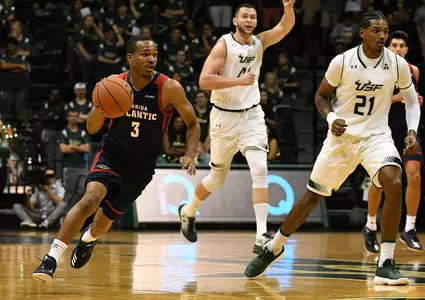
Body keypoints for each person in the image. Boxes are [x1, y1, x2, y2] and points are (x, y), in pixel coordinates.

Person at [244, 11, 420, 286]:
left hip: (376, 137)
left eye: (385, 30)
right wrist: (330, 118)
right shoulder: (343, 61)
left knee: (394, 181)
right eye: (376, 30)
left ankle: (386, 263)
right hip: (343, 139)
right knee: (310, 199)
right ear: (362, 33)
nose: (383, 35)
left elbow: (412, 102)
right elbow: (321, 96)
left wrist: (411, 131)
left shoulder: (397, 64)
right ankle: (274, 246)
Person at [33, 35, 200, 284]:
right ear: (130, 59)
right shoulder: (114, 85)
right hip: (112, 153)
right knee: (90, 199)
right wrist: (102, 105)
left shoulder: (169, 88)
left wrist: (189, 153)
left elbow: (193, 123)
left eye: (154, 53)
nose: (151, 58)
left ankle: (88, 240)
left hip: (141, 166)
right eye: (145, 54)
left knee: (102, 224)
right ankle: (51, 258)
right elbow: (91, 128)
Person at [178, 1, 295, 254]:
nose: (249, 20)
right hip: (224, 118)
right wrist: (238, 81)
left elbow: (286, 27)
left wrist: (288, 6)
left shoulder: (260, 43)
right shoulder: (224, 45)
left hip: (252, 115)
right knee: (216, 179)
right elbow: (204, 80)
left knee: (260, 168)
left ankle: (261, 235)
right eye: (244, 16)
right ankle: (188, 211)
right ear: (235, 21)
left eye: (253, 17)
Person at [364, 30, 424, 253]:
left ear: (407, 50)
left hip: (407, 131)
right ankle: (370, 225)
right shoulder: (378, 69)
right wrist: (401, 97)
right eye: (394, 45)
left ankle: (409, 229)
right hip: (381, 131)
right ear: (388, 48)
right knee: (379, 182)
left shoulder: (413, 71)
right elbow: (373, 99)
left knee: (415, 176)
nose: (398, 48)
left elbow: (413, 102)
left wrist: (416, 102)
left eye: (402, 45)